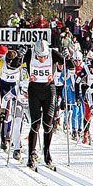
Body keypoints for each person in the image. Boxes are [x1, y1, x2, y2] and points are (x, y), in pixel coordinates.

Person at [23, 40, 63, 168]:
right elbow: (16, 64)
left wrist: (66, 58)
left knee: (48, 123)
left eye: (44, 57)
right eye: (39, 57)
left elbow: (67, 64)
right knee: (35, 123)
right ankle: (31, 154)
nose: (42, 59)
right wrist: (20, 56)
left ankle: (47, 152)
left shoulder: (53, 54)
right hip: (34, 90)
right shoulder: (29, 53)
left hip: (49, 91)